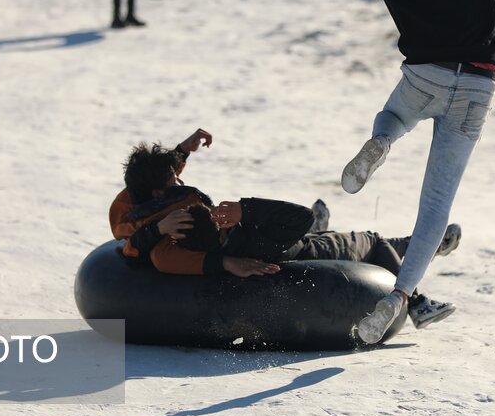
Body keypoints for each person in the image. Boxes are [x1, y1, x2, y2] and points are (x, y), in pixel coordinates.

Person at [226, 0, 495, 343]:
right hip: (477, 85)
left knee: (395, 114)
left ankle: (383, 140)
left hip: (424, 78)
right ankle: (399, 297)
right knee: (436, 206)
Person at [110, 137, 461, 330]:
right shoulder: (169, 232)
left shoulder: (136, 207)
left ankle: (429, 244)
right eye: (174, 181)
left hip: (278, 242)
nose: (181, 184)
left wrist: (182, 152)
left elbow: (147, 202)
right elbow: (141, 250)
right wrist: (239, 225)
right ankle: (415, 301)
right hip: (283, 247)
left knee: (332, 238)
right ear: (160, 195)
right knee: (371, 241)